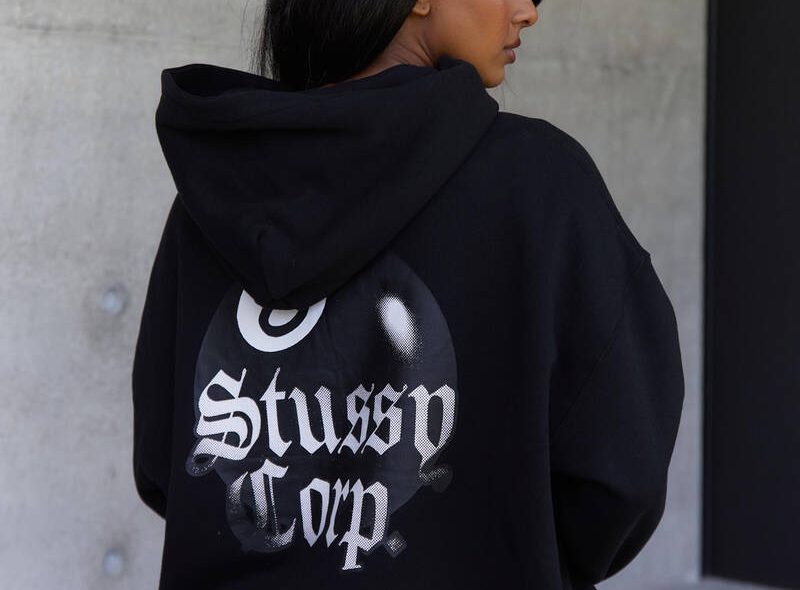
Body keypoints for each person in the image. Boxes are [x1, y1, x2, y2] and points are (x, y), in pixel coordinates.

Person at [131, 0, 685, 587]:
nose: (528, 12)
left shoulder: (218, 198)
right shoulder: (540, 186)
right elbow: (622, 470)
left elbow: (166, 463)